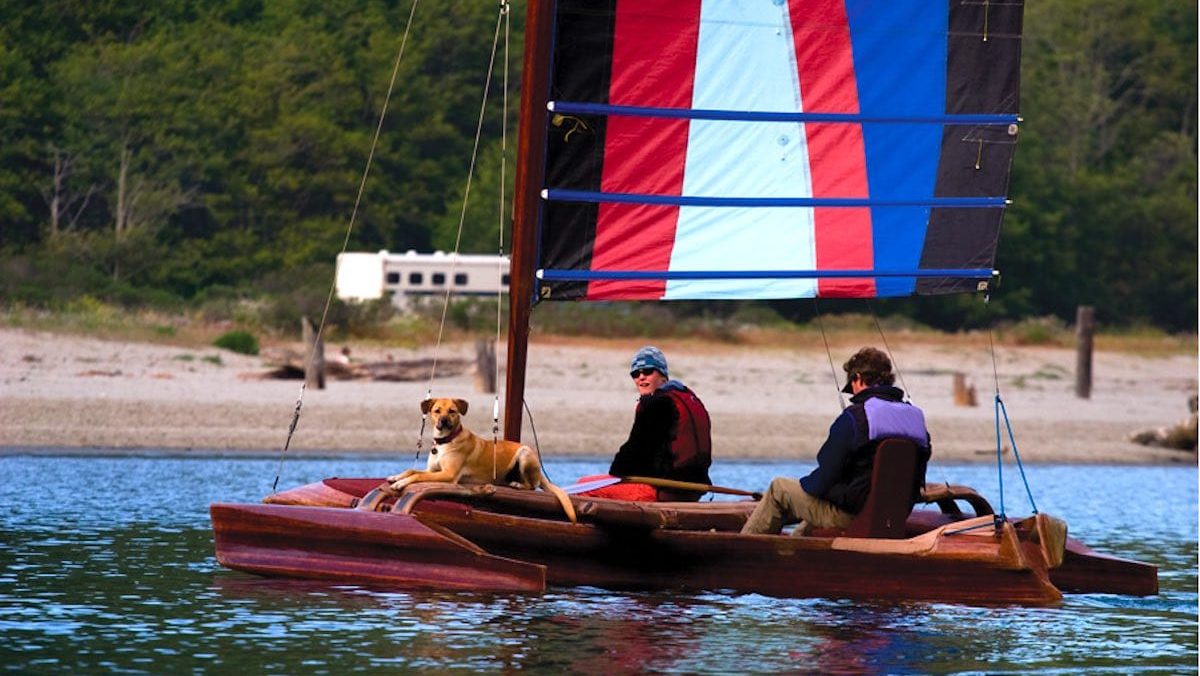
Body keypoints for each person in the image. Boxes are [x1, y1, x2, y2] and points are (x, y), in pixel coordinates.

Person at [740, 347, 931, 535]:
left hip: (852, 516)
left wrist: (814, 488)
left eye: (851, 386)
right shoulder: (916, 419)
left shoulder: (855, 417)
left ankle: (742, 548)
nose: (853, 394)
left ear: (858, 378)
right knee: (816, 514)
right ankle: (795, 547)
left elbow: (825, 476)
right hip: (894, 517)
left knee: (779, 488)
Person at [578, 346, 713, 501]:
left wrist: (618, 473)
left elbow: (625, 463)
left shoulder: (657, 404)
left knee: (583, 486)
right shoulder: (689, 399)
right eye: (635, 374)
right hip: (694, 492)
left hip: (665, 492)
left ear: (663, 376)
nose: (641, 377)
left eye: (648, 371)